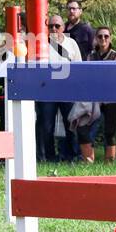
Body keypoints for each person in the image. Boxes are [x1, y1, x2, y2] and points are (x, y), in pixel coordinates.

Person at [37, 15, 81, 162]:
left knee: (71, 124)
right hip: (47, 90)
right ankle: (47, 156)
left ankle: (73, 155)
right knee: (46, 125)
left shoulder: (71, 43)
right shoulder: (42, 44)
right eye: (51, 26)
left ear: (63, 27)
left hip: (67, 90)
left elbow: (78, 66)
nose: (54, 29)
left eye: (57, 26)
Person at [88, 25, 116, 161]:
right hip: (95, 98)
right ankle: (88, 159)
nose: (103, 39)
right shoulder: (91, 56)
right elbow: (88, 77)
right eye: (100, 36)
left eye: (106, 36)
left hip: (112, 98)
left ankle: (110, 160)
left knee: (110, 131)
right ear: (96, 38)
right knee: (90, 129)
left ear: (110, 38)